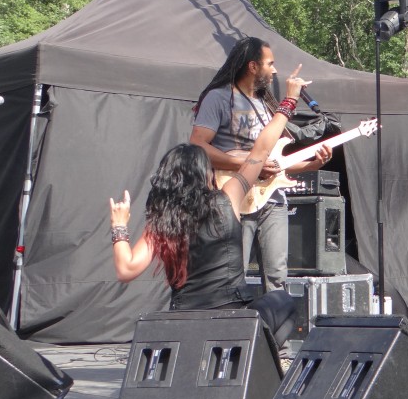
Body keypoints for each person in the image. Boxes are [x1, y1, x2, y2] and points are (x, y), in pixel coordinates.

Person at [108, 66, 309, 361]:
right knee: (282, 301)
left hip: (185, 324)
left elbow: (126, 270)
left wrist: (119, 226)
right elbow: (260, 152)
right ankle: (256, 362)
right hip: (233, 324)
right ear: (205, 175)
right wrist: (288, 102)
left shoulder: (162, 222)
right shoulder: (227, 199)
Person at [189, 37, 332, 294]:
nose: (275, 71)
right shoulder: (219, 98)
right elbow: (198, 145)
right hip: (235, 197)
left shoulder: (268, 105)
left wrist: (313, 164)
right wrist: (250, 165)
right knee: (233, 274)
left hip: (273, 199)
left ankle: (276, 321)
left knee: (277, 277)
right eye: (270, 64)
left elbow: (275, 164)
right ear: (253, 66)